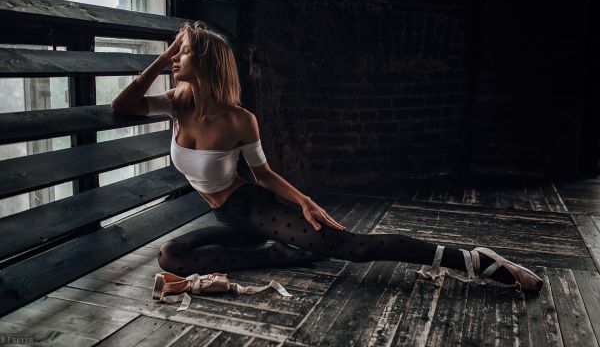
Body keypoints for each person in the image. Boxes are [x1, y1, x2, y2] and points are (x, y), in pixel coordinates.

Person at [111, 21, 543, 293]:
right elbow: (123, 106)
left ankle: (476, 261)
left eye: (180, 51)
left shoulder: (240, 120)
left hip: (253, 209)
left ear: (204, 61)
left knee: (351, 248)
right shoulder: (175, 102)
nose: (173, 59)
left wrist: (303, 200)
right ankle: (279, 254)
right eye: (172, 52)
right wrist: (161, 57)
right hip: (229, 220)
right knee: (171, 256)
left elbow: (262, 175)